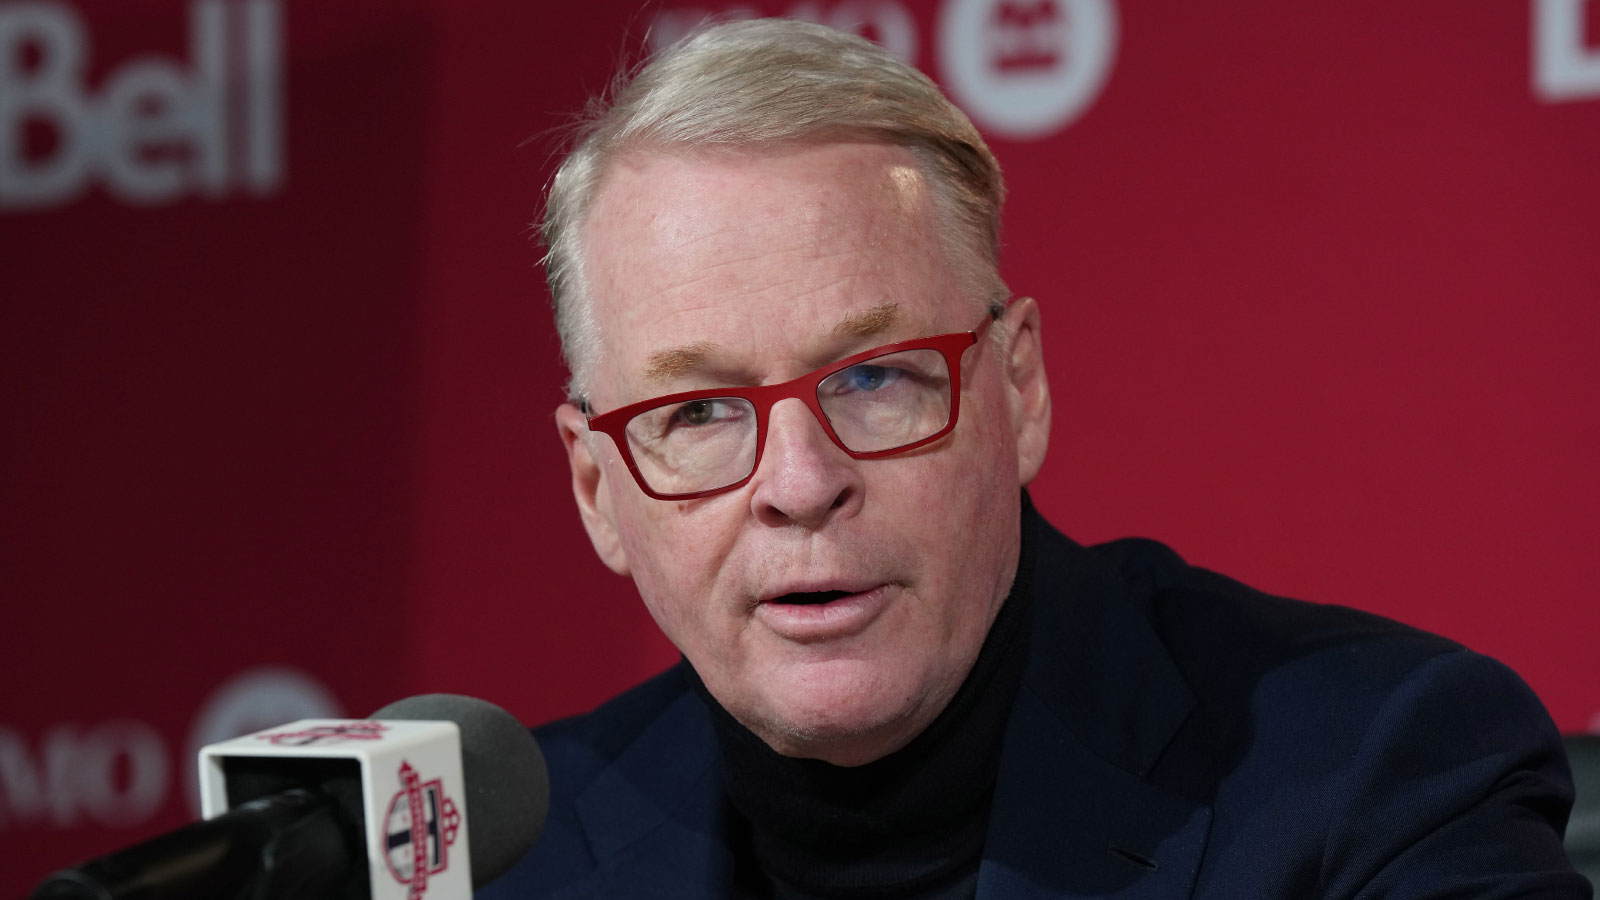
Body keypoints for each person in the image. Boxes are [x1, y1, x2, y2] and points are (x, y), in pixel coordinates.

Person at [480, 18, 1587, 900]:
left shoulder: (1377, 776)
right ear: (597, 489)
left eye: (873, 379)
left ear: (1018, 388)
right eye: (700, 411)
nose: (801, 484)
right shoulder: (503, 861)